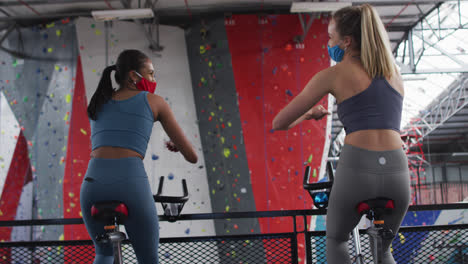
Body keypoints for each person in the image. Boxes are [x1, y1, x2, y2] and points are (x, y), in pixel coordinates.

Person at [272, 4, 410, 264]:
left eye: (330, 37)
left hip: (359, 166)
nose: (329, 42)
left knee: (337, 240)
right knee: (383, 250)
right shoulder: (395, 75)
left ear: (346, 42)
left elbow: (280, 122)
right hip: (397, 170)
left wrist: (309, 115)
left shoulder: (333, 74)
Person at [80, 49, 198, 264]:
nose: (154, 79)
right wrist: (178, 146)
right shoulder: (155, 101)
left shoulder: (98, 101)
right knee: (148, 259)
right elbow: (192, 157)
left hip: (93, 183)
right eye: (151, 74)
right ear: (134, 76)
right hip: (129, 182)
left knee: (104, 254)